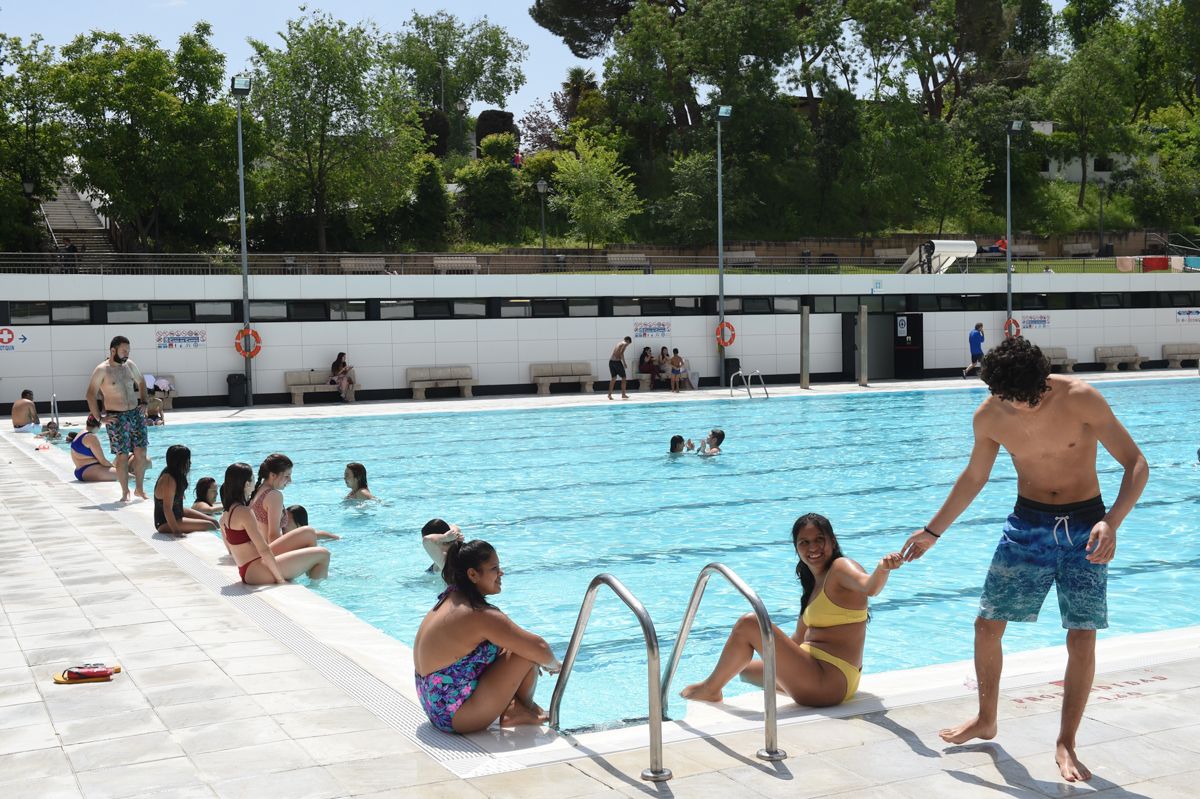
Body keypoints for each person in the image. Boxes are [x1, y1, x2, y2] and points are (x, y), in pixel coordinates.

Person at [900, 336, 1148, 783]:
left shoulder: (1081, 398)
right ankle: (986, 717)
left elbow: (1135, 464)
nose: (1021, 407)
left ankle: (1066, 740)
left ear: (1043, 381)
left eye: (1028, 397)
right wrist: (933, 531)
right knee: (987, 624)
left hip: (1084, 527)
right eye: (1009, 398)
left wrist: (1112, 521)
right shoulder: (991, 415)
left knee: (1081, 636)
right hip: (1026, 526)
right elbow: (975, 477)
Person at [682, 514, 902, 706]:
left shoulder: (841, 567)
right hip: (817, 670)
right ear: (796, 548)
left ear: (833, 542)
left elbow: (869, 587)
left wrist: (882, 569)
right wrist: (783, 660)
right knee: (743, 669)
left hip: (829, 681)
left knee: (750, 623)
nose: (813, 548)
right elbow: (797, 638)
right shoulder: (814, 583)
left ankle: (710, 690)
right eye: (804, 542)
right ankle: (722, 685)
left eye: (819, 540)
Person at [412, 539, 561, 733]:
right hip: (456, 716)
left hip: (434, 704)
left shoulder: (451, 597)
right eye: (494, 568)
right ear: (473, 574)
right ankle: (516, 710)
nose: (501, 573)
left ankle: (516, 708)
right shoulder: (478, 614)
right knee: (526, 651)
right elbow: (539, 647)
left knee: (513, 644)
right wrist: (556, 666)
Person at [219, 462, 331, 585]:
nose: (255, 481)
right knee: (324, 554)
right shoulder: (245, 512)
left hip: (249, 568)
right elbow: (264, 550)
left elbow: (232, 548)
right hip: (257, 571)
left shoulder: (227, 512)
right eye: (253, 479)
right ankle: (315, 588)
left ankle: (310, 569)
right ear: (246, 484)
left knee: (308, 532)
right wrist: (280, 579)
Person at [86, 335, 149, 502]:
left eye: (128, 351)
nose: (126, 354)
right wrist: (99, 419)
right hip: (117, 417)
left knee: (141, 452)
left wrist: (144, 401)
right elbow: (90, 395)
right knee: (122, 456)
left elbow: (141, 382)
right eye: (123, 351)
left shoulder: (129, 365)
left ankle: (139, 489)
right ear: (113, 350)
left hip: (135, 414)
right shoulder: (102, 370)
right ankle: (124, 491)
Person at [250, 454, 340, 548]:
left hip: (259, 549)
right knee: (319, 549)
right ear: (272, 475)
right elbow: (272, 536)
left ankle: (336, 538)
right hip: (270, 550)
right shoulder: (274, 495)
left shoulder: (258, 491)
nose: (290, 480)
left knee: (310, 533)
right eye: (287, 476)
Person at [153, 445, 219, 535]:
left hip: (178, 511)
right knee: (209, 525)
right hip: (164, 522)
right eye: (188, 460)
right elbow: (167, 509)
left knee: (214, 522)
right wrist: (176, 531)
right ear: (180, 462)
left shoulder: (177, 473)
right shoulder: (169, 479)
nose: (190, 463)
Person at [70, 415, 117, 482]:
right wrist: (114, 468)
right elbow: (103, 461)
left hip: (80, 471)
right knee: (126, 476)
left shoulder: (80, 433)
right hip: (89, 470)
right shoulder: (91, 437)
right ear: (99, 425)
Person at [607, 336, 632, 400]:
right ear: (628, 341)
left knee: (613, 378)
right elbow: (621, 353)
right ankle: (623, 394)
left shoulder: (619, 343)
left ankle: (609, 395)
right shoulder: (624, 343)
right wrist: (624, 363)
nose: (627, 345)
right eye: (628, 344)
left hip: (611, 362)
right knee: (624, 377)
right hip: (617, 362)